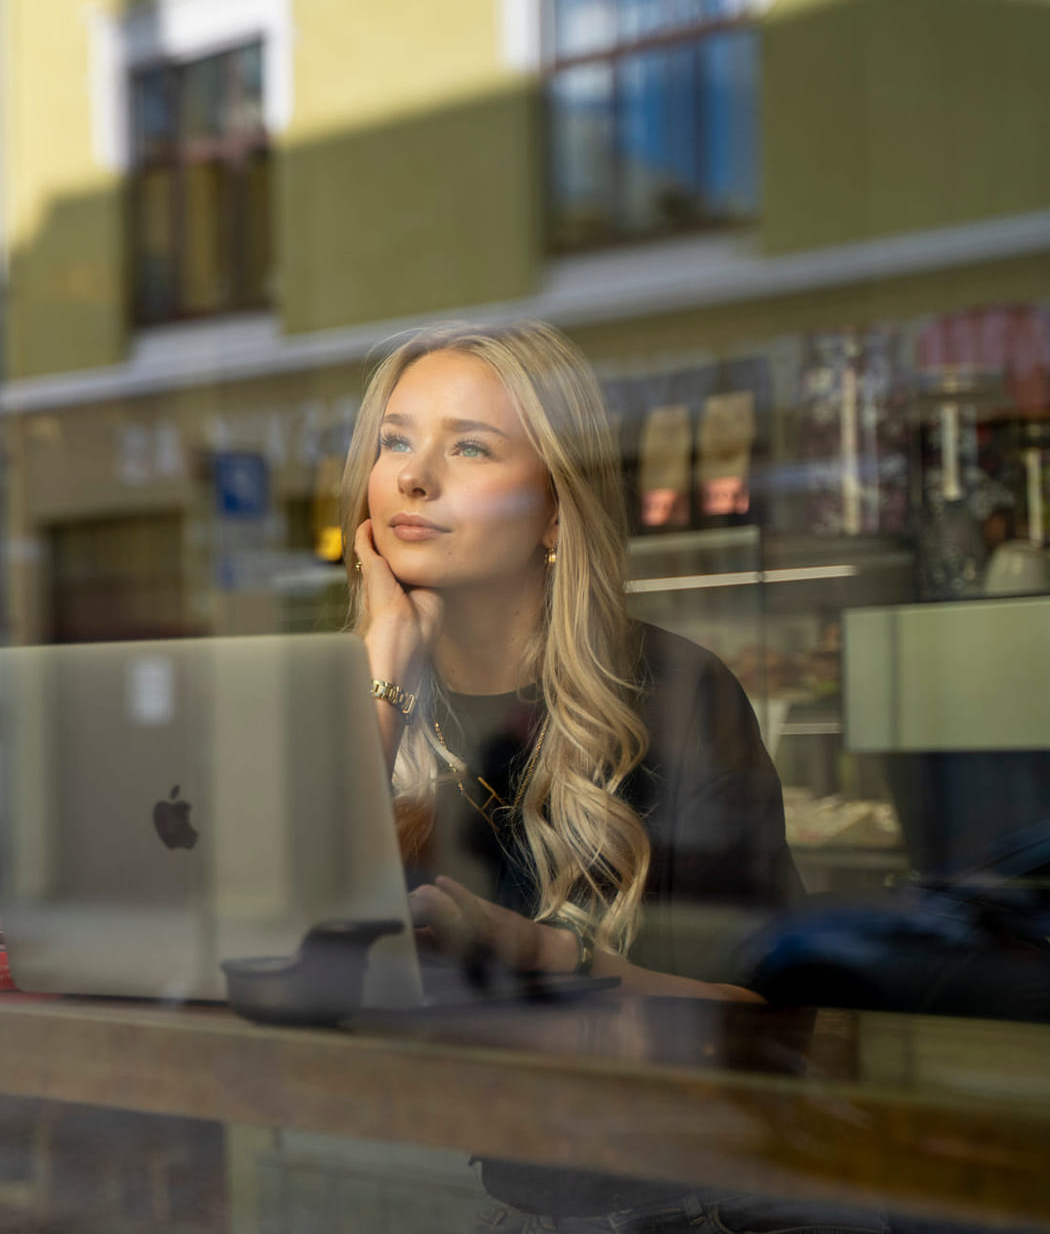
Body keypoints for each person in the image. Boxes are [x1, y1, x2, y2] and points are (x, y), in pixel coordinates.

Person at [340, 321, 863, 1231]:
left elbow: (767, 1030)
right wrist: (382, 674)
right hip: (504, 1196)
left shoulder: (676, 693)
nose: (413, 476)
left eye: (470, 446)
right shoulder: (365, 706)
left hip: (713, 1202)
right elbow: (281, 953)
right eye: (395, 441)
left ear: (554, 511)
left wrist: (541, 956)